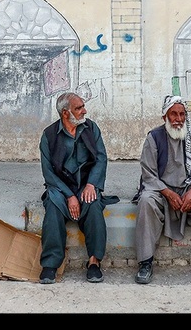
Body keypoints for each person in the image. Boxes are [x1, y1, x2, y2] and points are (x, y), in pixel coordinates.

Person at [133, 95, 191, 284]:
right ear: (164, 117)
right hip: (161, 191)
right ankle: (145, 262)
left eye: (182, 114)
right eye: (173, 114)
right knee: (146, 201)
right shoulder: (154, 137)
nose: (179, 119)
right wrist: (167, 192)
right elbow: (148, 174)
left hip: (189, 189)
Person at [37, 92, 119, 284]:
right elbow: (48, 173)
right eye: (79, 108)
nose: (84, 111)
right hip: (61, 187)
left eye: (83, 106)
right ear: (65, 113)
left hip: (86, 184)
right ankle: (50, 264)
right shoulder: (48, 135)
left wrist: (92, 184)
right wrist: (69, 196)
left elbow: (101, 158)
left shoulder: (91, 128)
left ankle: (94, 262)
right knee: (53, 205)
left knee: (93, 203)